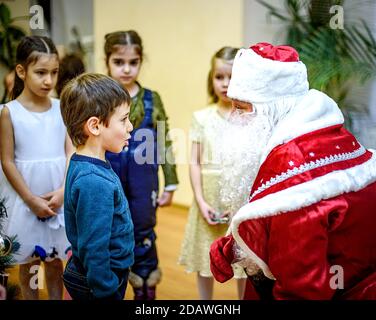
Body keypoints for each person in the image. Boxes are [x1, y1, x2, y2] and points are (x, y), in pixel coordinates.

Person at [209, 42, 376, 300]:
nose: (232, 117)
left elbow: (301, 288)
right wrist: (233, 247)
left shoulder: (295, 181)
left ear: (269, 110)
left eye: (240, 108)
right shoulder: (321, 134)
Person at [103, 30, 178, 300]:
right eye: (118, 62)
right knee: (111, 229)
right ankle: (113, 285)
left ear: (140, 61)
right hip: (108, 174)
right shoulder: (100, 97)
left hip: (144, 177)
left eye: (133, 62)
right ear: (107, 61)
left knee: (143, 228)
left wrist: (170, 181)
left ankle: (145, 289)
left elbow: (164, 140)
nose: (126, 69)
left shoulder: (151, 99)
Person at [0, 36, 73, 300]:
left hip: (58, 198)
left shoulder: (61, 107)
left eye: (54, 73)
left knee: (55, 263)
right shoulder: (9, 112)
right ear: (21, 71)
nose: (49, 80)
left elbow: (70, 152)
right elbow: (7, 161)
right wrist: (31, 200)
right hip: (24, 199)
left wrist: (63, 190)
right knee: (29, 263)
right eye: (40, 73)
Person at [178, 47, 249, 300]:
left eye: (231, 77)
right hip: (207, 199)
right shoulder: (202, 117)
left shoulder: (250, 118)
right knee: (205, 257)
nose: (225, 83)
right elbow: (195, 161)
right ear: (211, 78)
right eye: (219, 77)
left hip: (239, 203)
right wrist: (200, 200)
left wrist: (241, 205)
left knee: (242, 262)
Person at [60, 73, 135, 300]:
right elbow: (94, 248)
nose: (130, 126)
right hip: (100, 281)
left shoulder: (85, 163)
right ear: (95, 126)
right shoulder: (93, 181)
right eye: (123, 120)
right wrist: (106, 289)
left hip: (96, 274)